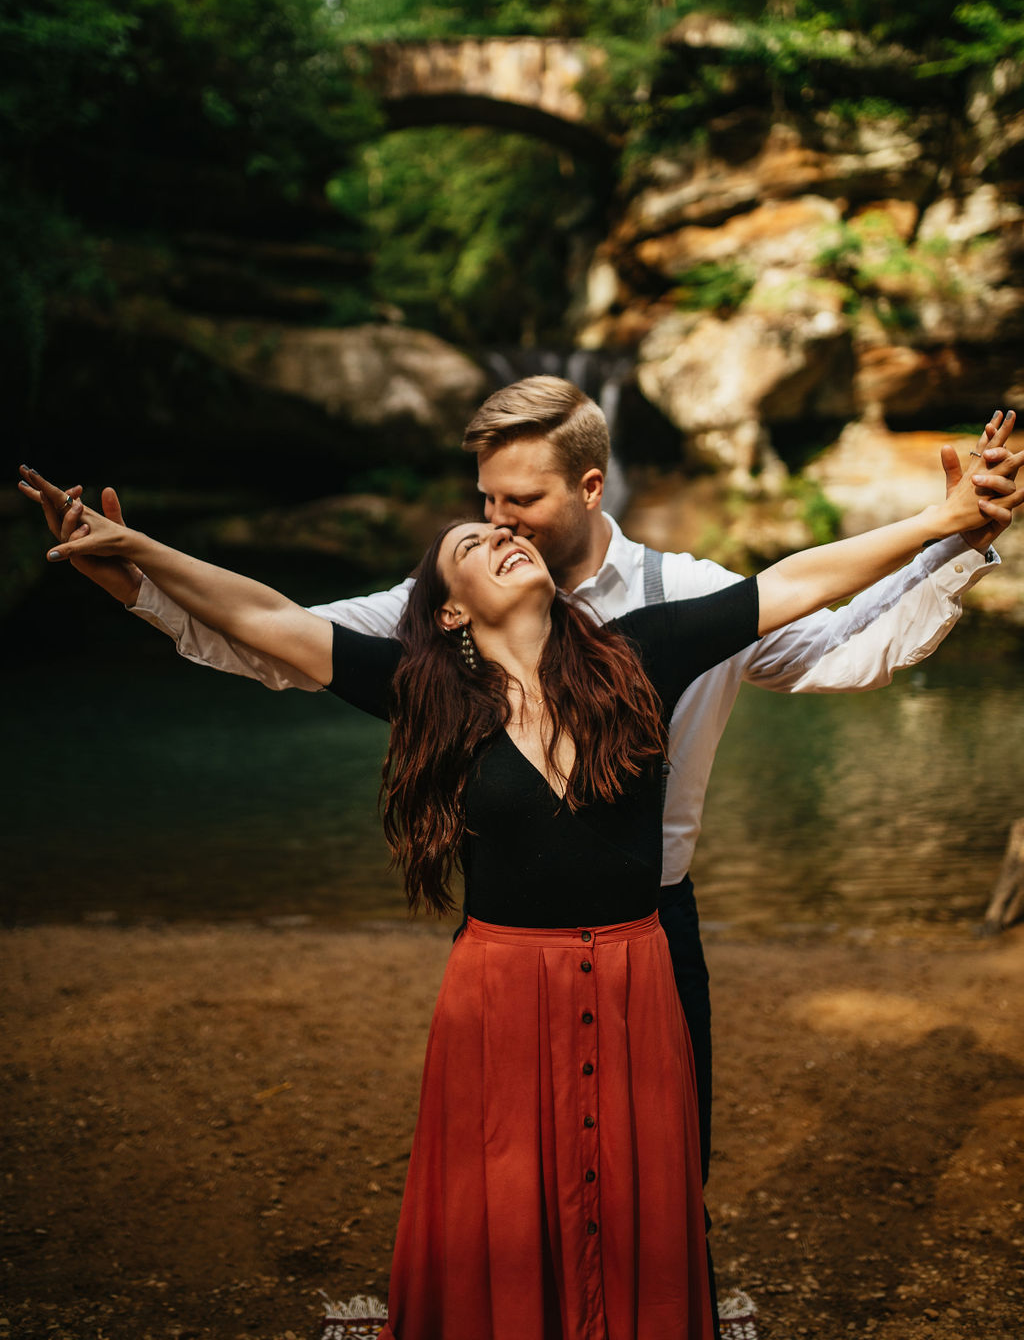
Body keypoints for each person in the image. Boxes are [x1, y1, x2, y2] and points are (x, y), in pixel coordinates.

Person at [20, 390, 1023, 1334]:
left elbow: (805, 587)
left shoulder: (647, 636)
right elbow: (270, 625)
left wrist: (951, 526)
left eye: (519, 508)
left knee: (654, 1186)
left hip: (645, 950)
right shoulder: (427, 681)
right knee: (499, 1197)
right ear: (446, 608)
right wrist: (143, 558)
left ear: (589, 486)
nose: (503, 528)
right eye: (480, 521)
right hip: (502, 975)